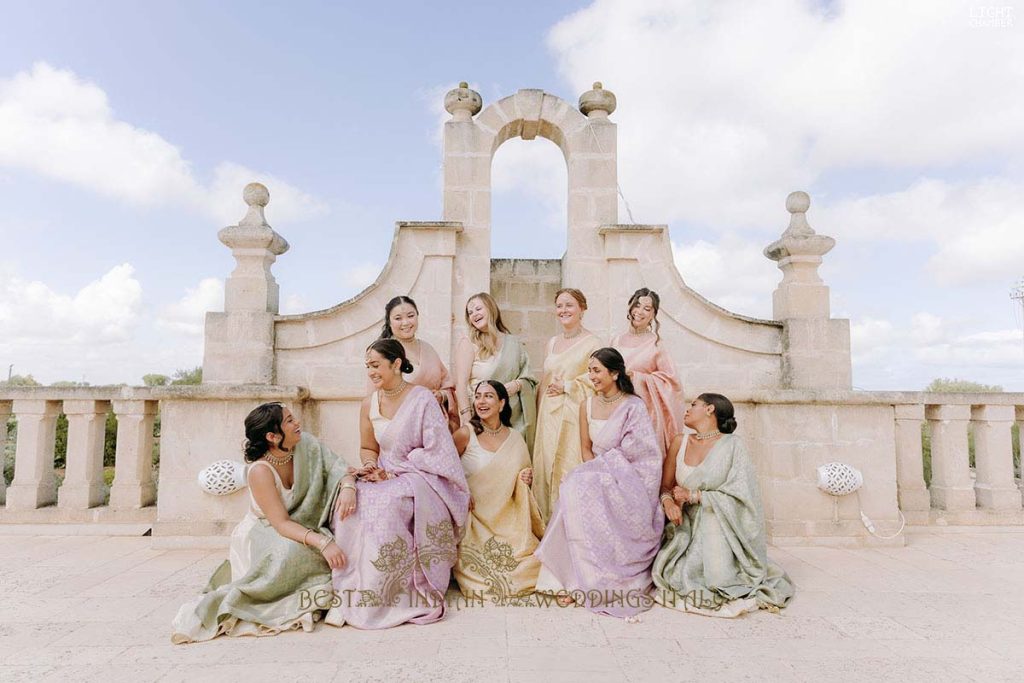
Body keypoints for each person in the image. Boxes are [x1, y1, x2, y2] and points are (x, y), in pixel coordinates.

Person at [171, 403, 353, 643]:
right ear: (272, 436)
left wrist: (348, 486)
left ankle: (328, 595)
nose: (297, 423)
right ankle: (298, 599)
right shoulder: (261, 471)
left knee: (340, 539)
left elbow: (339, 467)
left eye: (294, 418)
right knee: (293, 552)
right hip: (264, 529)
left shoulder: (306, 445)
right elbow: (280, 523)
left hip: (302, 523)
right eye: (289, 421)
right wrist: (323, 541)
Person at [330, 339, 469, 628]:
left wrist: (398, 471)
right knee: (354, 501)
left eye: (376, 365)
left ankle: (394, 590)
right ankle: (355, 587)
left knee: (386, 503)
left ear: (396, 364)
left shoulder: (421, 399)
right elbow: (369, 448)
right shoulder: (369, 403)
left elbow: (438, 451)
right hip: (382, 473)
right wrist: (370, 468)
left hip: (421, 477)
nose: (371, 371)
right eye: (367, 366)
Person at [534, 348, 664, 619]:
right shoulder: (587, 404)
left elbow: (642, 455)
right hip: (597, 472)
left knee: (578, 486)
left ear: (614, 373)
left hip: (629, 479)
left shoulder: (633, 407)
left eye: (596, 370)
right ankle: (569, 580)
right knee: (573, 489)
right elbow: (585, 449)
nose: (590, 376)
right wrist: (594, 474)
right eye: (589, 370)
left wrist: (604, 475)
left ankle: (590, 582)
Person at [652, 393, 795, 617]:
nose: (687, 410)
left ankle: (724, 571)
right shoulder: (680, 442)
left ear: (710, 409)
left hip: (721, 523)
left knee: (719, 578)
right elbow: (664, 486)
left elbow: (745, 495)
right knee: (677, 575)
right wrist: (669, 502)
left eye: (694, 405)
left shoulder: (733, 446)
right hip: (685, 525)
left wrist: (696, 495)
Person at [452, 380, 544, 602]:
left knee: (533, 564)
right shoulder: (466, 434)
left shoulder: (515, 437)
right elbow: (445, 470)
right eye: (478, 396)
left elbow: (522, 477)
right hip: (474, 520)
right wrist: (461, 492)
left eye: (488, 396)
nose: (481, 401)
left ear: (502, 403)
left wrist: (523, 480)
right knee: (482, 574)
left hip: (506, 520)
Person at [531, 288, 600, 520]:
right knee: (546, 467)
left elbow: (598, 378)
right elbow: (545, 378)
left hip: (574, 416)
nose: (563, 310)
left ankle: (570, 527)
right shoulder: (551, 343)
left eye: (569, 305)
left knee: (568, 467)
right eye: (559, 306)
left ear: (582, 309)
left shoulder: (593, 343)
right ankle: (545, 527)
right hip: (548, 415)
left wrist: (568, 386)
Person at [454, 292, 536, 446]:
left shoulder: (512, 343)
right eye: (470, 313)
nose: (474, 314)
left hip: (513, 418)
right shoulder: (469, 343)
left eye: (478, 309)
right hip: (480, 417)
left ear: (491, 308)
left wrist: (517, 385)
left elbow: (529, 378)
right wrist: (466, 419)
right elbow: (460, 384)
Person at [610, 288, 682, 454]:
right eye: (637, 305)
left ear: (653, 314)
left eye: (647, 309)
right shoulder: (615, 341)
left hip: (646, 415)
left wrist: (637, 378)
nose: (640, 311)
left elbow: (671, 382)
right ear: (630, 306)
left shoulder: (656, 345)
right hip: (616, 409)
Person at [378, 295, 459, 433]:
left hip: (434, 426)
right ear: (389, 322)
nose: (405, 322)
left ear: (417, 316)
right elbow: (375, 399)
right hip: (399, 428)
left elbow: (449, 387)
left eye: (410, 316)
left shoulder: (428, 349)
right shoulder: (384, 353)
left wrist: (441, 396)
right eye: (398, 318)